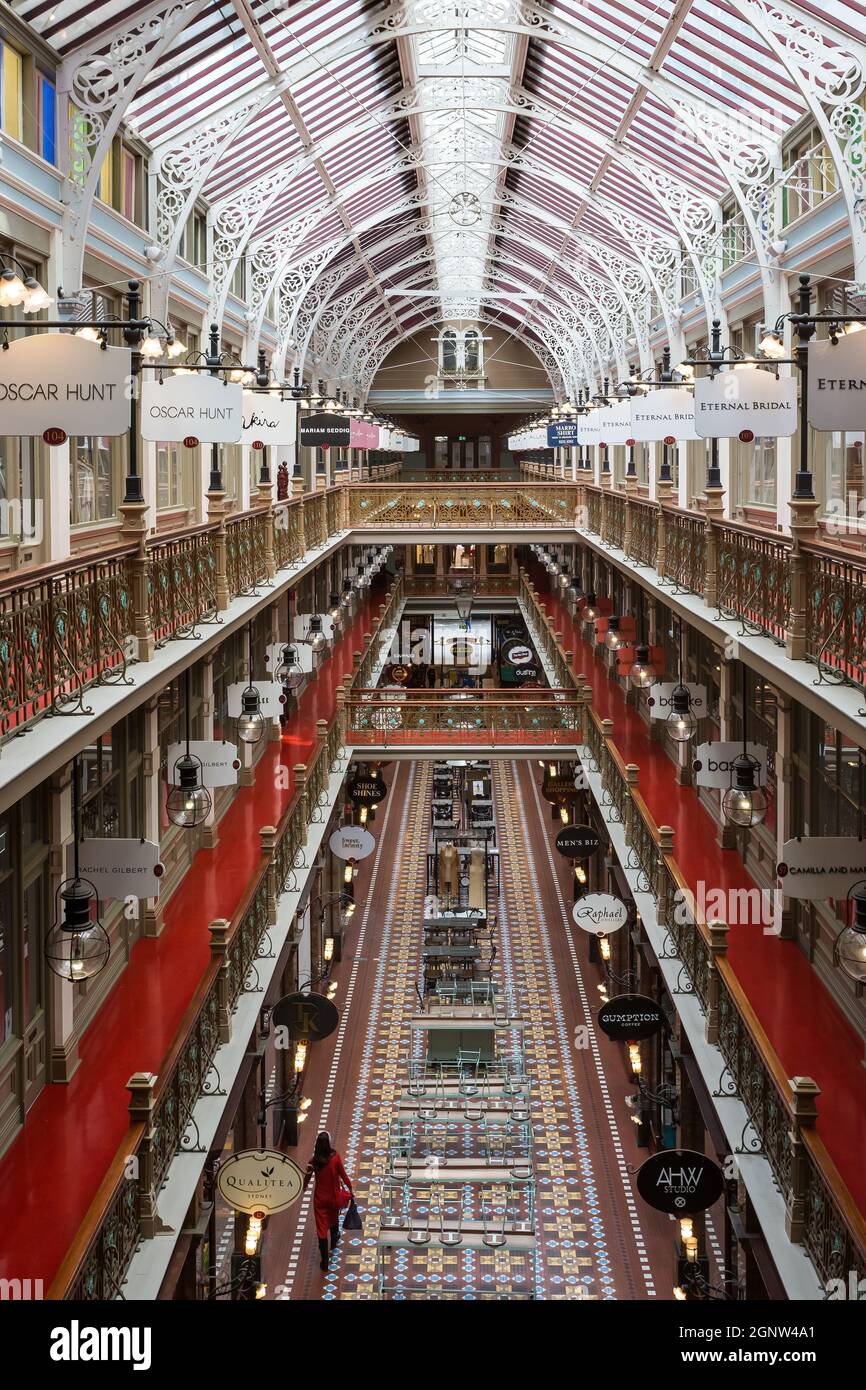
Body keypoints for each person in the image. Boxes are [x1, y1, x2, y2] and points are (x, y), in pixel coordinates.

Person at [303, 1131, 354, 1271]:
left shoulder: (313, 1161)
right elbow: (343, 1175)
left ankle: (324, 1260)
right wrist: (350, 1188)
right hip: (334, 1196)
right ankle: (334, 1239)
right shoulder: (335, 1158)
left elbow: (306, 1178)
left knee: (321, 1228)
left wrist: (303, 1188)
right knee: (333, 1217)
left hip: (320, 1199)